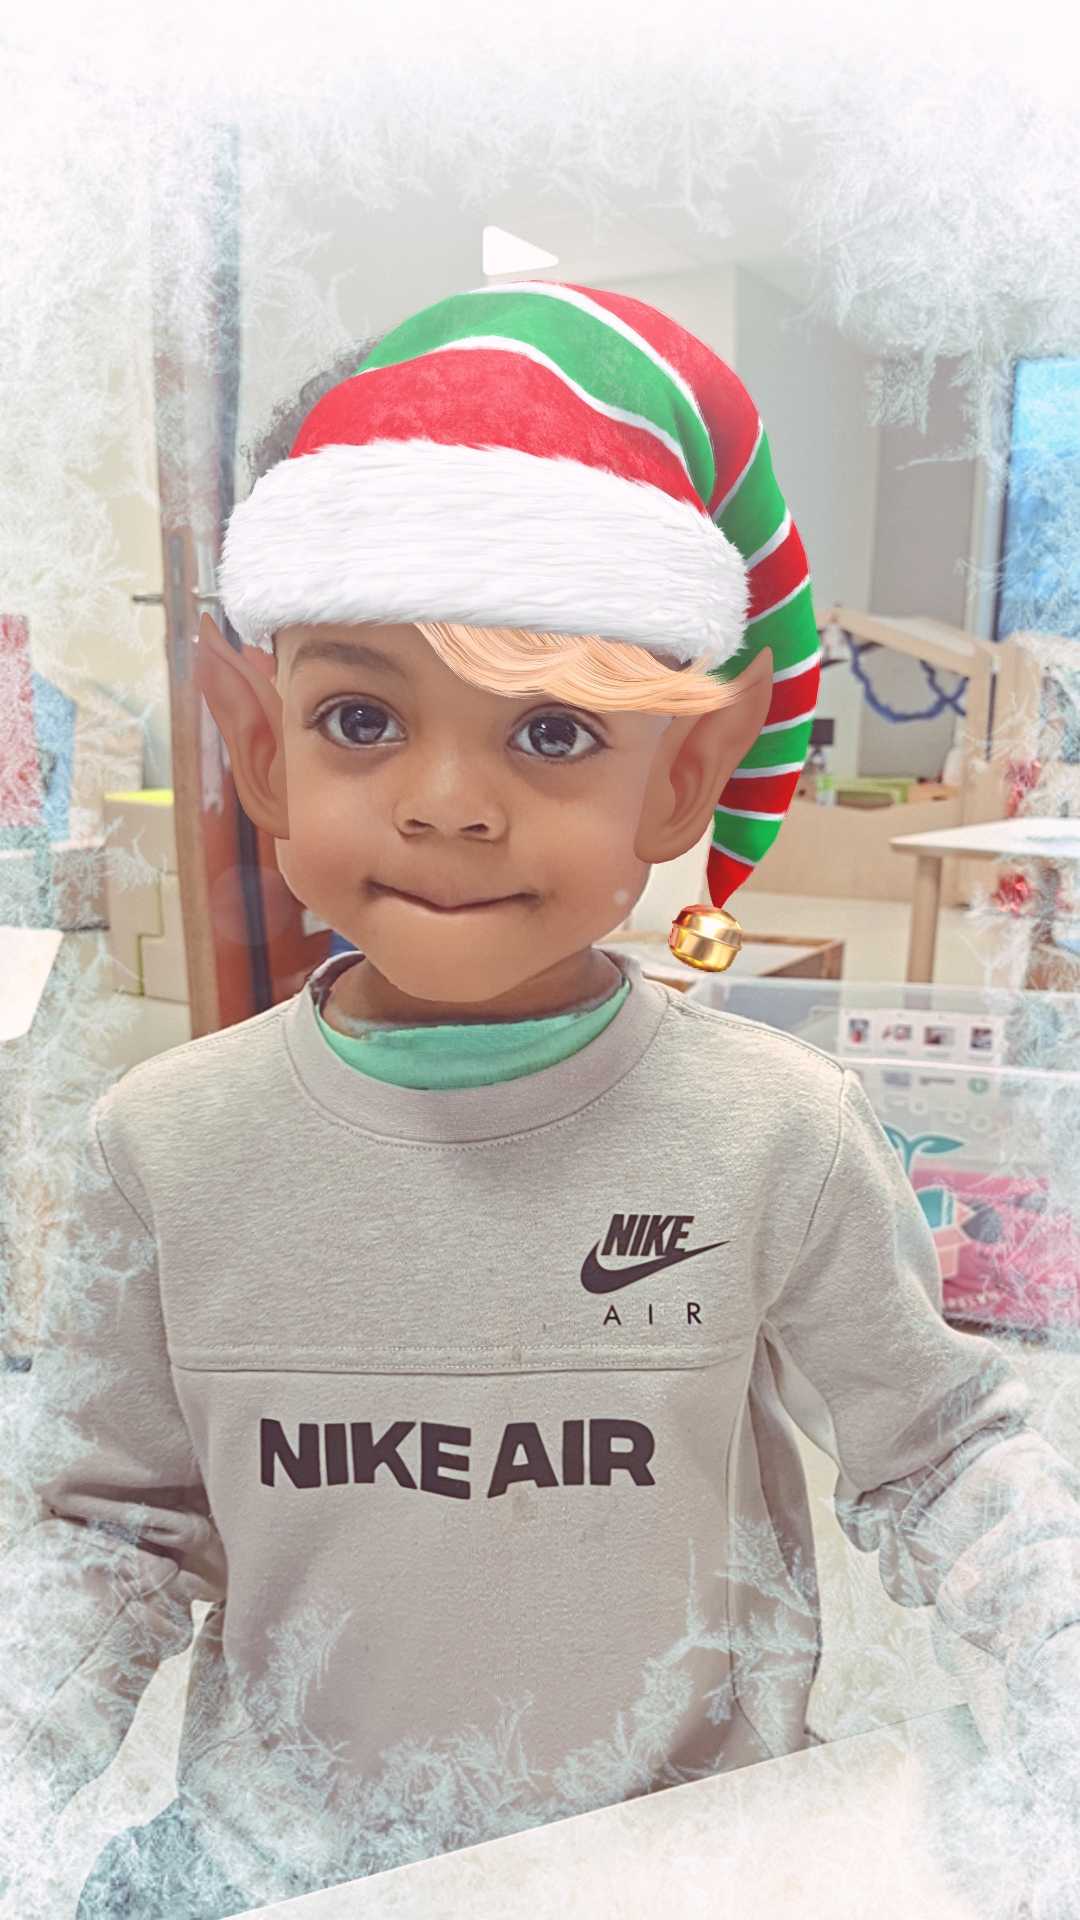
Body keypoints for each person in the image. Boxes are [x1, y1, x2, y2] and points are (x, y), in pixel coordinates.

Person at [4, 284, 1080, 1919]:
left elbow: (943, 1455)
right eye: (362, 718)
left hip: (670, 1865)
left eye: (556, 731)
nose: (448, 803)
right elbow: (107, 1533)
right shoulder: (162, 1146)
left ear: (684, 775)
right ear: (259, 746)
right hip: (281, 1870)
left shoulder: (777, 1134)